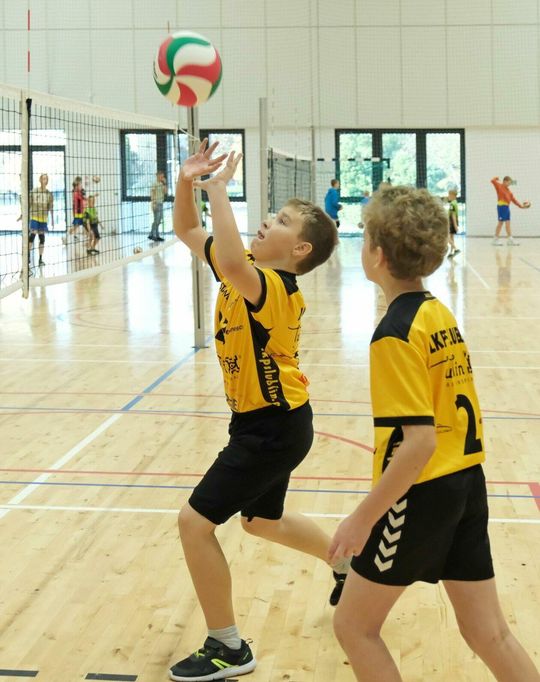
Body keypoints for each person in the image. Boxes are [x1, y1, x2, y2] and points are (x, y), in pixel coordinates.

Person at [329, 185, 540, 682]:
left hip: (419, 493)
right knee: (489, 633)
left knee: (354, 627)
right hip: (466, 482)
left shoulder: (394, 334)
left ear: (378, 255)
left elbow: (419, 442)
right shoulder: (437, 313)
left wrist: (362, 519)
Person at [169, 139, 346, 681]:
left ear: (300, 250)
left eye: (282, 221)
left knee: (194, 524)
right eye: (273, 214)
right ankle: (347, 564)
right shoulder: (246, 267)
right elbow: (187, 230)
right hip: (268, 422)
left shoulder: (274, 287)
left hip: (273, 428)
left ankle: (228, 647)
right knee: (262, 522)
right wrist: (186, 183)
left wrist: (219, 188)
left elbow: (224, 257)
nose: (269, 221)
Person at [491, 175, 530, 246]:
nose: (509, 184)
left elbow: (514, 200)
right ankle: (495, 239)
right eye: (508, 183)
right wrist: (496, 178)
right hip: (501, 207)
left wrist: (521, 206)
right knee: (500, 223)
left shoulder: (509, 192)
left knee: (508, 223)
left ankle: (510, 240)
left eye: (510, 183)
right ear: (504, 181)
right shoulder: (499, 186)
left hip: (506, 208)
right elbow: (492, 181)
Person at [28, 173, 54, 267]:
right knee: (32, 236)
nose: (44, 180)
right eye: (43, 178)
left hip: (43, 219)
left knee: (42, 239)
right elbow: (29, 204)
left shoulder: (49, 194)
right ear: (40, 180)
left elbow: (51, 207)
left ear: (47, 181)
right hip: (34, 217)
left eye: (46, 179)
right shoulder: (34, 191)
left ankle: (40, 259)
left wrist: (52, 220)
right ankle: (27, 256)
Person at [148, 170, 167, 242]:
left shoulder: (161, 184)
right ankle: (154, 235)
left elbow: (165, 192)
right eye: (161, 176)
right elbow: (152, 194)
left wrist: (164, 183)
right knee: (156, 220)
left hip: (161, 203)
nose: (162, 177)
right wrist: (153, 203)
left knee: (159, 220)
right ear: (157, 176)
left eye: (163, 176)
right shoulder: (154, 184)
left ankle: (153, 234)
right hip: (156, 203)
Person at [67, 176, 86, 241]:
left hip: (81, 211)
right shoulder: (76, 192)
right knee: (76, 225)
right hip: (78, 212)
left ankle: (77, 236)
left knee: (80, 225)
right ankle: (67, 237)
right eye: (80, 184)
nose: (81, 185)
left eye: (81, 183)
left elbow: (83, 199)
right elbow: (80, 200)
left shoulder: (80, 191)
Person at [446, 188, 460, 258]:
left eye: (449, 195)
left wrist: (455, 226)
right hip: (454, 221)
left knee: (446, 237)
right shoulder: (455, 202)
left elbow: (453, 215)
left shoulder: (452, 204)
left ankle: (456, 248)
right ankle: (451, 252)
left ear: (453, 195)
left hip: (451, 222)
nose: (448, 196)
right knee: (451, 237)